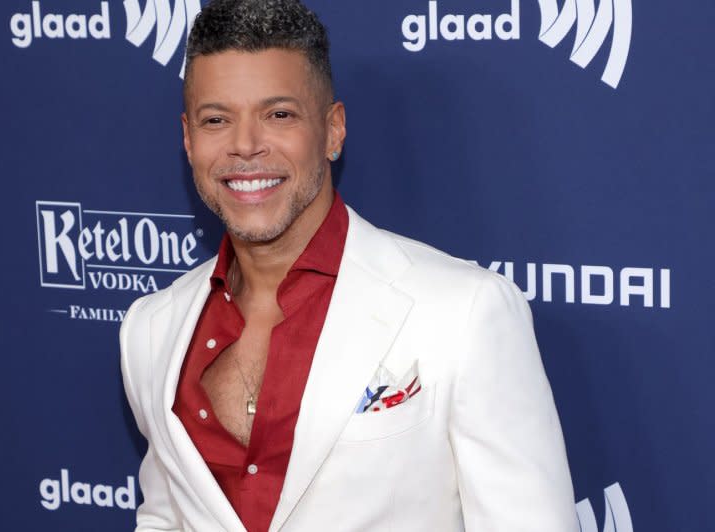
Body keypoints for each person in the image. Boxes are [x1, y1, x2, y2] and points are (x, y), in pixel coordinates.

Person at [120, 0, 577, 530]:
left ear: (333, 130)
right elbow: (163, 517)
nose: (244, 146)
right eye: (216, 119)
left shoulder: (465, 312)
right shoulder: (151, 330)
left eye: (279, 115)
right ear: (188, 138)